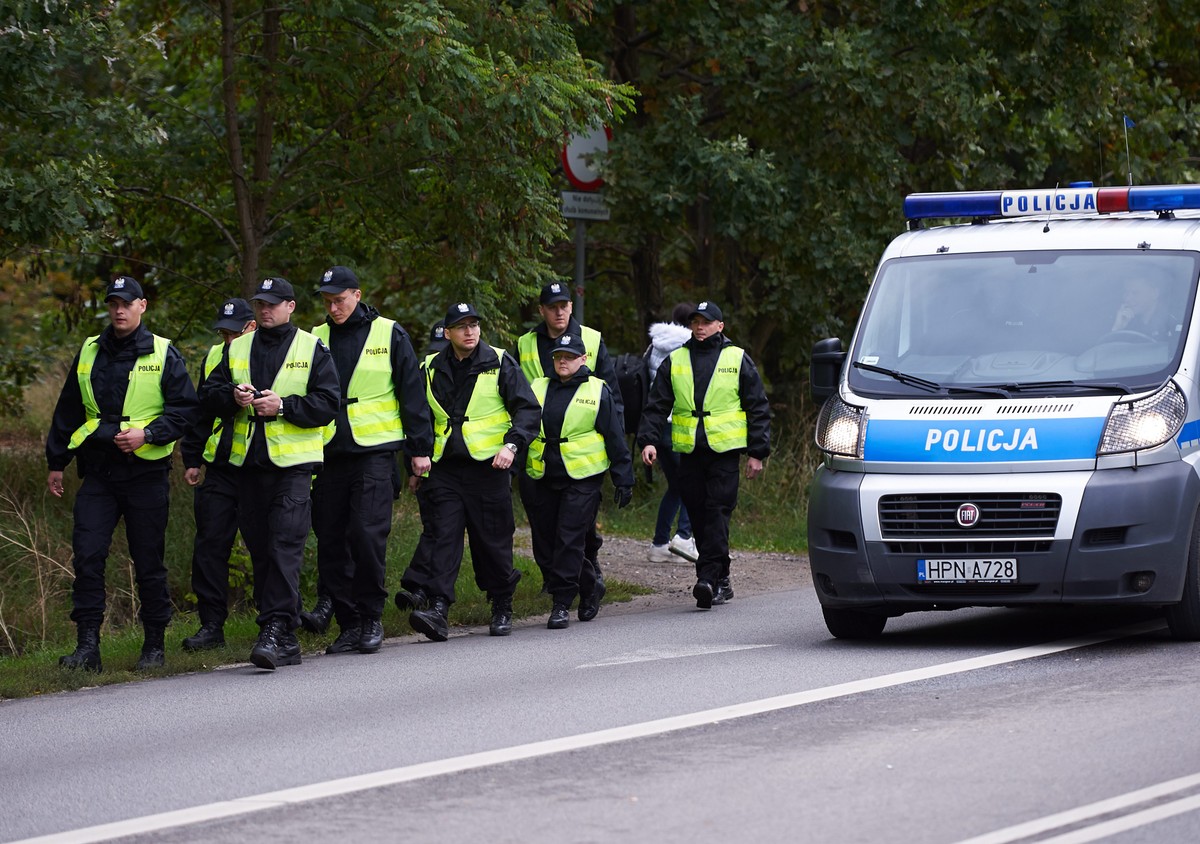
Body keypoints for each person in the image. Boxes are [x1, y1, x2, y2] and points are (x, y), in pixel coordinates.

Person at [47, 275, 199, 672]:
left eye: (126, 303)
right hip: (99, 473)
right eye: (113, 303)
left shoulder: (164, 352)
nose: (118, 310)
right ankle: (87, 648)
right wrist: (56, 462)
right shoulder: (90, 350)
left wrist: (147, 434)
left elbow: (185, 410)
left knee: (148, 560)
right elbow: (69, 408)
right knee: (88, 556)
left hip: (145, 473)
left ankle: (153, 645)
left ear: (141, 306)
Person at [199, 276, 340, 670]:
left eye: (273, 304)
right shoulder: (237, 347)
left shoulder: (312, 348)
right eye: (260, 304)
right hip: (248, 467)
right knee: (262, 550)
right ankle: (286, 631)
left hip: (294, 467)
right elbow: (206, 397)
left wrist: (283, 406)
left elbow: (329, 403)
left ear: (290, 306)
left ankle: (275, 630)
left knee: (284, 547)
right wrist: (231, 397)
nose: (265, 310)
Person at [308, 266, 433, 656]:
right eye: (328, 301)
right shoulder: (315, 337)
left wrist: (419, 449)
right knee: (331, 542)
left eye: (340, 300)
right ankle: (347, 624)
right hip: (328, 452)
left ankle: (371, 617)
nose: (333, 307)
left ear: (357, 295)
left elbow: (412, 393)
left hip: (375, 452)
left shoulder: (389, 333)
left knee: (366, 536)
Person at [398, 302, 540, 641]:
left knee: (492, 542)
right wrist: (415, 460)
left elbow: (528, 409)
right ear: (447, 333)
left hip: (488, 467)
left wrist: (512, 446)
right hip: (444, 468)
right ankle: (438, 608)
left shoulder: (500, 362)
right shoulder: (430, 367)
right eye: (462, 326)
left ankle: (502, 603)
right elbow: (417, 417)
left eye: (474, 325)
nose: (470, 331)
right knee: (443, 536)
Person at [636, 301, 771, 609]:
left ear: (720, 326)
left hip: (724, 453)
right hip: (690, 451)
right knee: (697, 514)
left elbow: (758, 406)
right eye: (695, 322)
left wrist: (757, 452)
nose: (699, 327)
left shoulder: (736, 358)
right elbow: (657, 404)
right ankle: (721, 578)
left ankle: (707, 580)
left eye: (706, 322)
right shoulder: (677, 360)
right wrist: (648, 440)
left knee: (717, 512)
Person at [514, 280, 623, 593]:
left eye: (563, 306)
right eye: (552, 307)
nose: (558, 312)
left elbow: (611, 394)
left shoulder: (590, 339)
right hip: (538, 449)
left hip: (581, 448)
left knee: (579, 523)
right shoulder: (525, 343)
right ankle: (554, 580)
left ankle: (589, 572)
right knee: (544, 523)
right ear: (542, 310)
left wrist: (617, 444)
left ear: (571, 307)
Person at [526, 333, 634, 628]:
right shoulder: (537, 387)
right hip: (543, 473)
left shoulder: (597, 390)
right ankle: (590, 587)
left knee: (569, 539)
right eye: (559, 356)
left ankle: (561, 603)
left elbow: (614, 435)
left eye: (570, 357)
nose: (563, 362)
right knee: (546, 543)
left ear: (583, 359)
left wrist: (624, 478)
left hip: (583, 476)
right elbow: (522, 426)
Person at [179, 297, 257, 651]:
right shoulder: (215, 357)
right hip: (221, 465)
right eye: (223, 333)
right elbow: (200, 411)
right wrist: (192, 459)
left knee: (269, 547)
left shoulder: (272, 354)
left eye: (233, 333)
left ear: (251, 327)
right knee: (210, 546)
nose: (227, 340)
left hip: (261, 466)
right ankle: (211, 626)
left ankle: (277, 620)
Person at [645, 302, 697, 563]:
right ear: (691, 324)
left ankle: (659, 544)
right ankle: (684, 539)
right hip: (678, 424)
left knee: (676, 485)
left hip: (656, 426)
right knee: (692, 482)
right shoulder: (688, 346)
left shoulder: (656, 344)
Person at [1110, 276, 1177, 339]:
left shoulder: (1171, 325)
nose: (1127, 299)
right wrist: (1117, 328)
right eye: (1126, 292)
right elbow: (1112, 350)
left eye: (1135, 293)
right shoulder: (1128, 322)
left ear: (1154, 293)